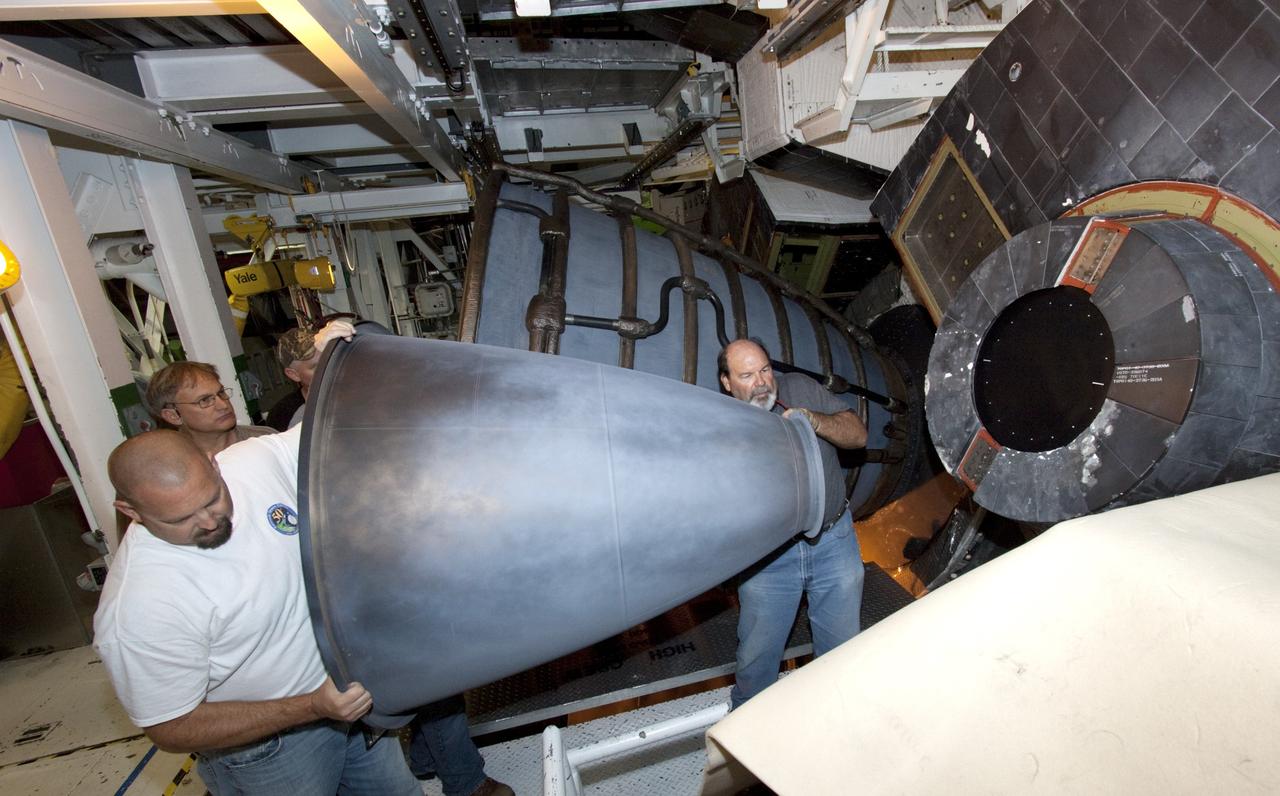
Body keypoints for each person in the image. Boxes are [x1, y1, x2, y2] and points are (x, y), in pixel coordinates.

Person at [93, 421, 421, 794]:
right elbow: (171, 726)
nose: (209, 520)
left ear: (213, 463)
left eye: (212, 497)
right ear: (130, 510)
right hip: (271, 750)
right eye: (180, 519)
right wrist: (313, 707)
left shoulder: (253, 462)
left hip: (351, 705)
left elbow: (339, 422)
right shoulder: (141, 606)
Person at [274, 319, 514, 796]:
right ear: (292, 376)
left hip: (407, 562)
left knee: (436, 681)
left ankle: (428, 758)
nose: (325, 374)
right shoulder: (304, 429)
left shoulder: (366, 401)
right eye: (312, 369)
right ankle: (466, 782)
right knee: (435, 680)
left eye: (327, 362)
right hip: (368, 580)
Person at [718, 338, 868, 709]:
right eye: (747, 375)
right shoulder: (719, 421)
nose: (763, 383)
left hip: (834, 543)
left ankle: (836, 726)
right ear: (726, 383)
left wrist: (815, 421)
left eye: (765, 369)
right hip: (769, 561)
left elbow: (858, 435)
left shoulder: (800, 388)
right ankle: (747, 741)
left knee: (843, 658)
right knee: (756, 664)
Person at [146, 361, 273, 456]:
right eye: (204, 400)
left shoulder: (267, 441)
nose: (223, 405)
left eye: (221, 392)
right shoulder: (167, 467)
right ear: (173, 416)